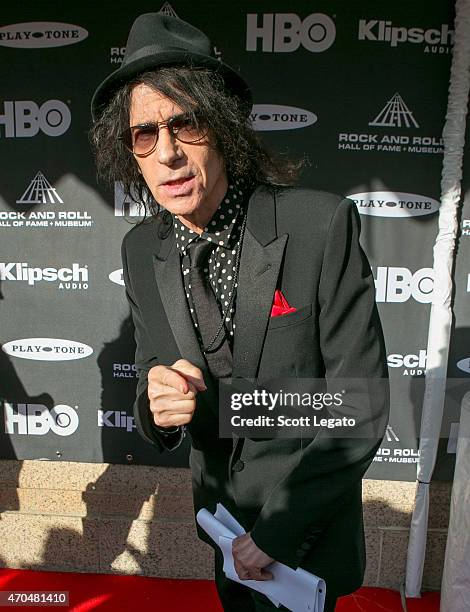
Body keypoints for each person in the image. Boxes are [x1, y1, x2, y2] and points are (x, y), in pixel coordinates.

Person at [90, 13, 389, 612]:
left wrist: (273, 536)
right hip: (222, 529)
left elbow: (358, 402)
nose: (167, 153)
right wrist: (159, 408)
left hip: (305, 535)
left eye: (186, 125)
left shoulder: (316, 225)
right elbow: (156, 373)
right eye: (144, 134)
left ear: (222, 127)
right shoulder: (140, 249)